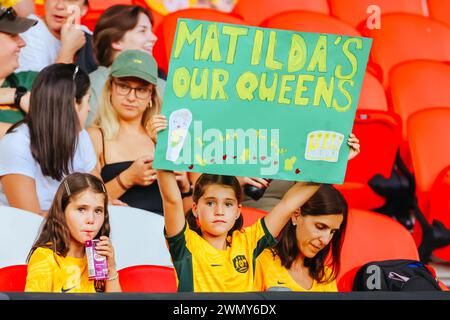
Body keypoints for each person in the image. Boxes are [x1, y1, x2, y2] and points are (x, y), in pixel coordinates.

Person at [88, 50, 190, 214]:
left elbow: (187, 217)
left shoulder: (163, 138)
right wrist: (128, 178)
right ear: (110, 88)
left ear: (151, 95)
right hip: (117, 234)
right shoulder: (95, 136)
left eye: (141, 90)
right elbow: (87, 204)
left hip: (163, 236)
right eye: (123, 86)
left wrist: (185, 187)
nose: (131, 97)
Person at [0, 63, 97, 216]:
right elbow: (29, 219)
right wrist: (84, 213)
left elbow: (96, 193)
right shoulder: (16, 143)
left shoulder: (81, 135)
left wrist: (105, 205)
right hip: (25, 236)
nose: (89, 108)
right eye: (87, 100)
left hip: (73, 229)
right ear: (72, 104)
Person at [25, 172, 121, 293]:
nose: (91, 220)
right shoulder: (45, 257)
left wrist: (111, 269)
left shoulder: (98, 258)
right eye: (81, 209)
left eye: (98, 211)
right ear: (62, 211)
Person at [254, 184, 348, 292]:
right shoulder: (260, 261)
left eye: (333, 232)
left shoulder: (326, 277)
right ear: (296, 215)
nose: (326, 240)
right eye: (320, 227)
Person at [88, 4, 165, 127]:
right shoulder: (89, 85)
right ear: (116, 41)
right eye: (142, 31)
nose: (154, 38)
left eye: (142, 90)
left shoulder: (164, 87)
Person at [16, 0, 97, 74]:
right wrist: (67, 50)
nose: (59, 6)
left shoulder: (83, 32)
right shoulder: (31, 30)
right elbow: (41, 87)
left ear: (83, 10)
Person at [0, 4, 37, 138]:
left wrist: (19, 95)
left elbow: (63, 132)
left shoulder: (32, 81)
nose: (22, 43)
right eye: (13, 35)